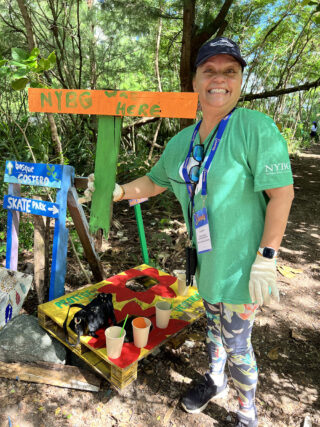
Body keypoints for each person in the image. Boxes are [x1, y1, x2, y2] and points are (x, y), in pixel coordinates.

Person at [89, 37, 294, 426]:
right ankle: (215, 381)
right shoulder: (182, 142)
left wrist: (267, 257)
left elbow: (282, 194)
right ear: (196, 81)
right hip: (206, 263)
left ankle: (246, 413)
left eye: (229, 71)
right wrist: (116, 192)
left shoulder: (255, 128)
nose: (219, 79)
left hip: (242, 271)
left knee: (237, 343)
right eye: (209, 71)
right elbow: (153, 182)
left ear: (240, 80)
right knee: (214, 331)